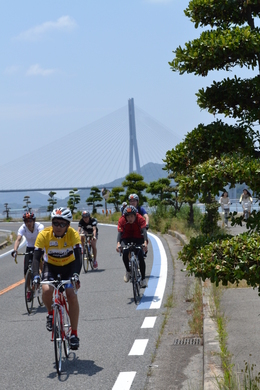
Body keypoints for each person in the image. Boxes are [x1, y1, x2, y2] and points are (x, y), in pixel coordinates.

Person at [32, 207, 82, 350]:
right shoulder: (44, 234)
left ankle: (73, 334)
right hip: (51, 267)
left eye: (62, 224)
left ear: (68, 225)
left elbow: (78, 256)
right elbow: (36, 258)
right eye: (55, 223)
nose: (58, 227)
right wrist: (36, 275)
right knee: (46, 291)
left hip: (69, 267)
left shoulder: (73, 234)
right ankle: (50, 314)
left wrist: (76, 275)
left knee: (71, 295)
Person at [116, 205, 148, 288]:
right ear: (125, 216)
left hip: (138, 238)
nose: (130, 219)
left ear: (135, 215)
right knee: (125, 251)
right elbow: (119, 233)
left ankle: (143, 279)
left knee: (140, 255)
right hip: (126, 238)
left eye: (132, 216)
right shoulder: (122, 220)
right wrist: (118, 244)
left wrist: (145, 243)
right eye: (128, 217)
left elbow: (144, 231)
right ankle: (128, 271)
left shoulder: (140, 218)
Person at [11, 211, 44, 279]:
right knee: (26, 270)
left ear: (34, 221)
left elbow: (41, 238)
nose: (28, 223)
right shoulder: (22, 228)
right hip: (29, 247)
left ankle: (44, 278)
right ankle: (28, 288)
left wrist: (40, 251)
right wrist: (15, 250)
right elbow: (18, 239)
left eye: (30, 221)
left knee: (41, 263)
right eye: (26, 221)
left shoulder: (39, 227)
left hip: (39, 246)